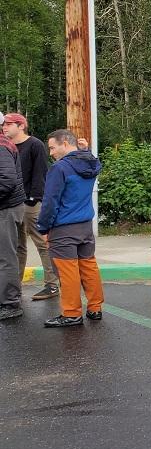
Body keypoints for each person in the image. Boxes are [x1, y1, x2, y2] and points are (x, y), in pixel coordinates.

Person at [36, 129, 104, 328]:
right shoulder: (90, 162)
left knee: (67, 272)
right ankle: (95, 308)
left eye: (52, 147)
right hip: (85, 225)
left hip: (64, 227)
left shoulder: (60, 168)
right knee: (88, 267)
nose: (51, 153)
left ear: (65, 143)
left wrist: (43, 227)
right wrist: (86, 150)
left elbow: (50, 201)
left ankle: (72, 313)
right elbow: (92, 161)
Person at [3, 113, 60, 300]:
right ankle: (14, 285)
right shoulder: (7, 145)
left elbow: (41, 173)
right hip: (13, 203)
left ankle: (52, 285)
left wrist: (34, 198)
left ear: (21, 126)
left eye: (9, 124)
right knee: (17, 246)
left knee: (42, 243)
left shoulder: (34, 144)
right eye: (4, 124)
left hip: (31, 202)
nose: (5, 127)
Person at [0, 132, 26, 321]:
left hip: (6, 208)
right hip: (7, 206)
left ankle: (10, 303)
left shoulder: (1, 147)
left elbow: (7, 180)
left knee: (5, 256)